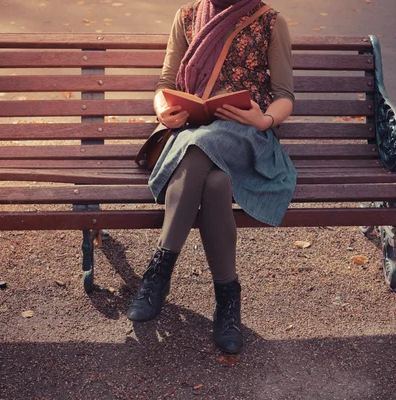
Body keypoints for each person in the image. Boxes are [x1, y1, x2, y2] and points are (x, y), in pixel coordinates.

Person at [126, 0, 296, 354]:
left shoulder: (269, 22)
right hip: (194, 129)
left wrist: (263, 120)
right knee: (215, 182)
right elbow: (165, 83)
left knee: (197, 147)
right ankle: (227, 300)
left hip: (247, 136)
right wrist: (164, 111)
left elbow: (284, 96)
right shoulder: (186, 17)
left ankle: (158, 272)